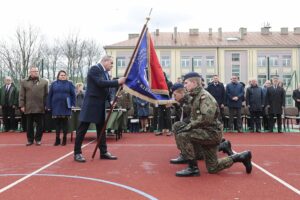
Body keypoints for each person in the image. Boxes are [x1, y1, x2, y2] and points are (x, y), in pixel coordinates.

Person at [174, 72, 252, 177]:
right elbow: (185, 98)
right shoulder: (195, 95)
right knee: (213, 167)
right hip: (204, 131)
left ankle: (193, 168)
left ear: (194, 83)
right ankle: (241, 156)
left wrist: (189, 126)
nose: (184, 85)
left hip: (211, 133)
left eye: (186, 83)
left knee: (183, 134)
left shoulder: (204, 97)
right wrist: (175, 98)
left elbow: (206, 118)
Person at [74, 55, 126, 162]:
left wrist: (111, 99)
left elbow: (106, 89)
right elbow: (100, 83)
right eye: (111, 63)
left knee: (101, 130)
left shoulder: (106, 73)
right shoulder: (95, 69)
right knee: (82, 129)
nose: (112, 66)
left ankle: (103, 152)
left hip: (100, 105)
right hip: (91, 105)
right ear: (105, 61)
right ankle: (77, 153)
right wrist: (117, 81)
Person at [170, 83, 233, 165]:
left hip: (204, 127)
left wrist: (186, 127)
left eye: (174, 95)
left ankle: (186, 155)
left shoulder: (190, 99)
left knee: (180, 129)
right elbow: (183, 116)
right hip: (198, 125)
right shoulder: (183, 100)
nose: (173, 97)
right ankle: (222, 145)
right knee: (178, 126)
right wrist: (177, 106)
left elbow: (194, 118)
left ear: (181, 93)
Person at [19, 66, 49, 146]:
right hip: (29, 107)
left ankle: (38, 139)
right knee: (29, 125)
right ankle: (30, 140)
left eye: (37, 71)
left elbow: (46, 95)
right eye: (33, 71)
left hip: (40, 107)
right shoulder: (24, 81)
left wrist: (46, 105)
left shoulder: (44, 82)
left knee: (40, 125)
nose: (35, 72)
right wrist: (22, 105)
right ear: (30, 72)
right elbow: (21, 94)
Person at [47, 70, 76, 146]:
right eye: (61, 75)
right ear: (58, 76)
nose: (62, 76)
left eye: (64, 75)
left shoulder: (70, 84)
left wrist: (73, 104)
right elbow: (50, 95)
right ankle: (57, 139)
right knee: (57, 124)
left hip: (66, 105)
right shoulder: (53, 84)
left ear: (66, 76)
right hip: (56, 105)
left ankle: (64, 139)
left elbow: (73, 95)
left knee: (65, 123)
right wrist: (48, 105)